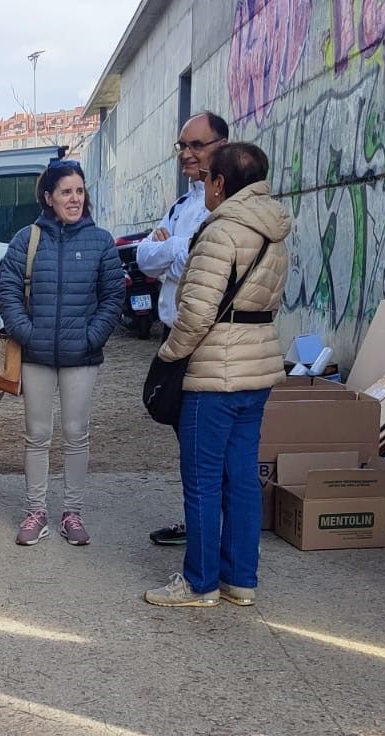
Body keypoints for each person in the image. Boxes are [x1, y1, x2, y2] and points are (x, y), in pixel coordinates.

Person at [144, 142, 292, 610]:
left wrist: (170, 356)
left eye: (207, 178)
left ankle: (200, 582)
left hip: (213, 372)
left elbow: (196, 313)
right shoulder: (275, 230)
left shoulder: (220, 231)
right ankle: (239, 579)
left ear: (221, 184)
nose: (204, 187)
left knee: (203, 477)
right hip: (259, 366)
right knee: (243, 476)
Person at [0, 159, 125, 546]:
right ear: (49, 197)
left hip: (80, 357)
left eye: (80, 191)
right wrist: (26, 332)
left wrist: (92, 336)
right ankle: (36, 511)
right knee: (36, 434)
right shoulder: (27, 239)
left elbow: (113, 295)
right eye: (66, 192)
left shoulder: (100, 241)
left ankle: (72, 512)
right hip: (36, 355)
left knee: (76, 433)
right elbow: (8, 289)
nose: (74, 199)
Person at [136, 112, 229, 548]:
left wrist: (168, 247)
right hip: (176, 336)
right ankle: (202, 525)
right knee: (188, 442)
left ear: (222, 145)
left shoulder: (226, 203)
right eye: (182, 146)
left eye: (197, 145)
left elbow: (199, 266)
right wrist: (176, 247)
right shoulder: (184, 204)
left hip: (204, 342)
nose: (187, 154)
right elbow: (144, 258)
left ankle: (211, 540)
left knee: (206, 450)